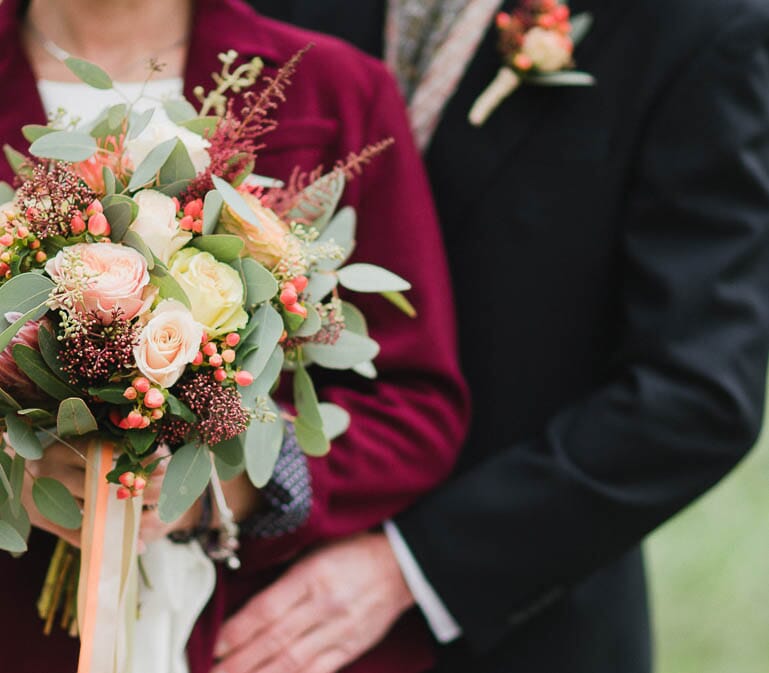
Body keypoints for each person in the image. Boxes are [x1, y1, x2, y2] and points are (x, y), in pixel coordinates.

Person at [231, 1, 769, 672]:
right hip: (231, 580)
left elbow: (693, 393)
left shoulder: (699, 25)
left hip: (509, 624)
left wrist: (412, 563)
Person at [0, 1, 469, 672]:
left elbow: (415, 405)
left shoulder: (336, 90)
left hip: (250, 634)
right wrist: (13, 469)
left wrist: (234, 483)